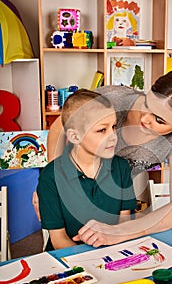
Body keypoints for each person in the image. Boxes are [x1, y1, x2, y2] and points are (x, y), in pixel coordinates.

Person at [39, 70, 172, 247]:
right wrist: (56, 182)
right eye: (147, 104)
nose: (144, 118)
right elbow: (59, 128)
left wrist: (122, 232)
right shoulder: (113, 99)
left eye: (159, 120)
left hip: (111, 207)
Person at [37, 89, 137, 250]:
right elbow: (59, 239)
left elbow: (123, 224)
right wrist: (93, 264)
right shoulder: (50, 177)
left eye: (113, 127)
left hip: (112, 255)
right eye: (102, 130)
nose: (113, 136)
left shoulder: (121, 167)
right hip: (69, 260)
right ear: (75, 137)